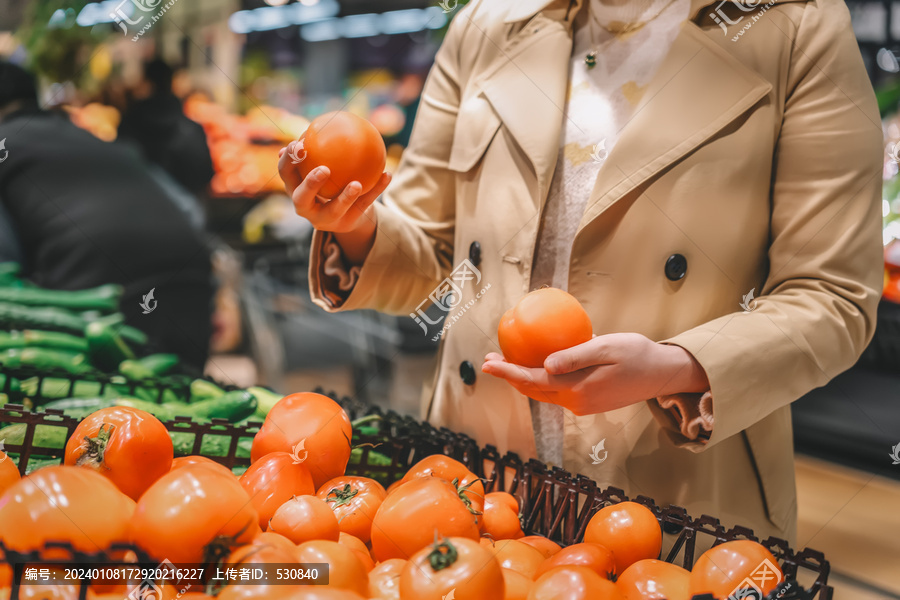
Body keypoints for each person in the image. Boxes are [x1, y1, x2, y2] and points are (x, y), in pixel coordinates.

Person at [279, 0, 883, 544]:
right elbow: (442, 265)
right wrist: (354, 224)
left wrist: (678, 367)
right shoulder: (487, 26)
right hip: (474, 475)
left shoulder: (795, 27)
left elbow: (833, 296)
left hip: (673, 488)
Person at [0, 61, 214, 369]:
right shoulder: (91, 137)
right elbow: (188, 208)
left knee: (98, 414)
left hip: (98, 302)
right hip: (192, 281)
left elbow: (6, 273)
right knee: (181, 403)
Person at [118, 58, 214, 196]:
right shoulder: (192, 129)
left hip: (139, 206)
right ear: (171, 83)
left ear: (146, 82)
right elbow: (205, 175)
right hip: (184, 211)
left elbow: (119, 169)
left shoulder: (129, 124)